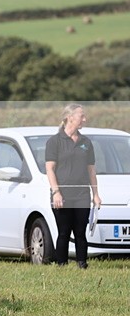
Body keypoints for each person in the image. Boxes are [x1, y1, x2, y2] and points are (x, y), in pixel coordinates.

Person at [45, 103, 101, 269]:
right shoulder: (54, 141)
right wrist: (56, 192)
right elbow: (50, 169)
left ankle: (82, 264)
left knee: (80, 232)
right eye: (81, 116)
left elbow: (91, 170)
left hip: (82, 194)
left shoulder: (86, 142)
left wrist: (96, 194)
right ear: (70, 118)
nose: (85, 119)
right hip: (62, 194)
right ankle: (61, 265)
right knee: (63, 232)